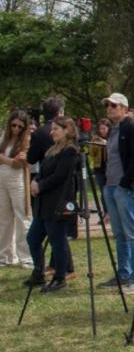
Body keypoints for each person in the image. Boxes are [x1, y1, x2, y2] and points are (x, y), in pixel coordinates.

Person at [24, 116, 80, 293]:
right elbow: (43, 170)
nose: (52, 131)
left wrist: (40, 185)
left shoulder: (70, 151)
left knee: (57, 242)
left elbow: (60, 176)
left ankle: (60, 277)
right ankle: (39, 272)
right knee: (32, 238)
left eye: (56, 128)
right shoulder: (52, 149)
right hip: (43, 204)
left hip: (58, 202)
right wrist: (35, 181)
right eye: (52, 128)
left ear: (67, 130)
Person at [99, 92, 134, 294]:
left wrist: (125, 183)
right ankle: (123, 273)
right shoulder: (113, 130)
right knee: (119, 234)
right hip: (111, 186)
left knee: (133, 233)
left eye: (114, 105)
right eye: (108, 105)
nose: (110, 108)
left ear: (125, 109)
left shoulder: (132, 126)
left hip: (125, 188)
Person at [0, 110, 32, 268]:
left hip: (18, 180)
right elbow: (12, 161)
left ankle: (25, 257)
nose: (16, 129)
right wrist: (9, 160)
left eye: (20, 126)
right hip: (2, 180)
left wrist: (2, 158)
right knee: (4, 219)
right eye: (14, 125)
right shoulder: (3, 138)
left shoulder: (26, 141)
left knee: (22, 217)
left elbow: (19, 164)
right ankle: (5, 255)